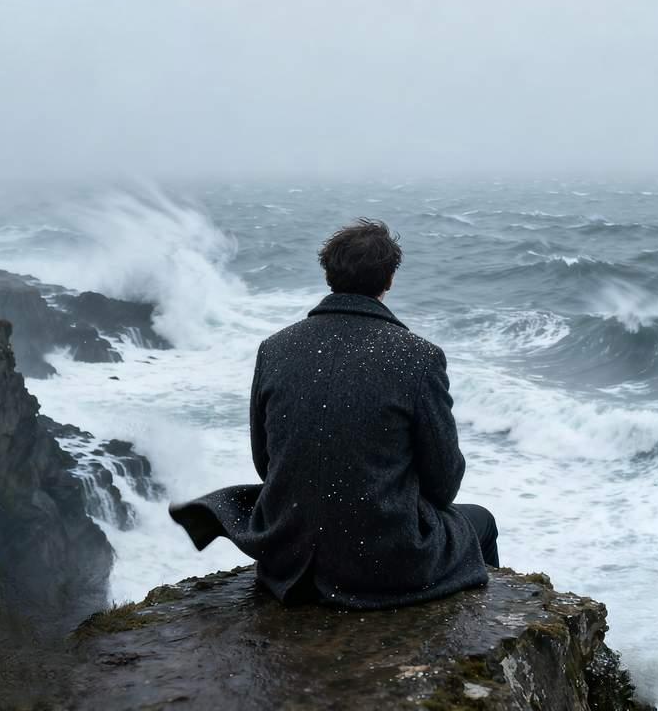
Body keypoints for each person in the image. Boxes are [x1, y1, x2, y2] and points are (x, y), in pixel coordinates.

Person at [169, 219, 499, 609]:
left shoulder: (274, 349)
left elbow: (265, 464)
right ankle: (484, 621)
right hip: (380, 562)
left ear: (329, 275)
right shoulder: (418, 357)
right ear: (389, 279)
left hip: (288, 557)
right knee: (482, 521)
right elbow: (444, 485)